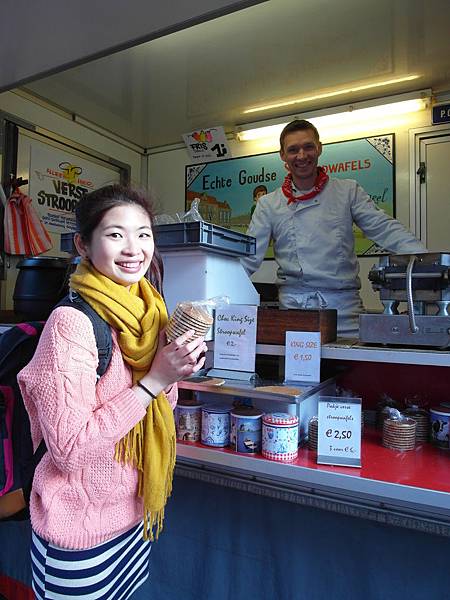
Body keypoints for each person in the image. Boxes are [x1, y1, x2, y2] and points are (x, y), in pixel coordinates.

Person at [17, 184, 208, 600]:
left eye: (143, 234)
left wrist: (173, 372)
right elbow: (69, 449)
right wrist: (155, 380)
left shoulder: (150, 310)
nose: (133, 248)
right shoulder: (70, 324)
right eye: (115, 234)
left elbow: (159, 406)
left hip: (132, 519)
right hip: (78, 531)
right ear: (84, 245)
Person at [241, 119, 427, 336]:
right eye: (293, 150)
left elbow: (384, 228)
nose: (302, 156)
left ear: (319, 148)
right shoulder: (269, 204)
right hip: (294, 315)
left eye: (308, 147)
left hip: (345, 314)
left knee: (352, 369)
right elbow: (248, 258)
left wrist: (426, 260)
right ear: (282, 155)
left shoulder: (348, 191)